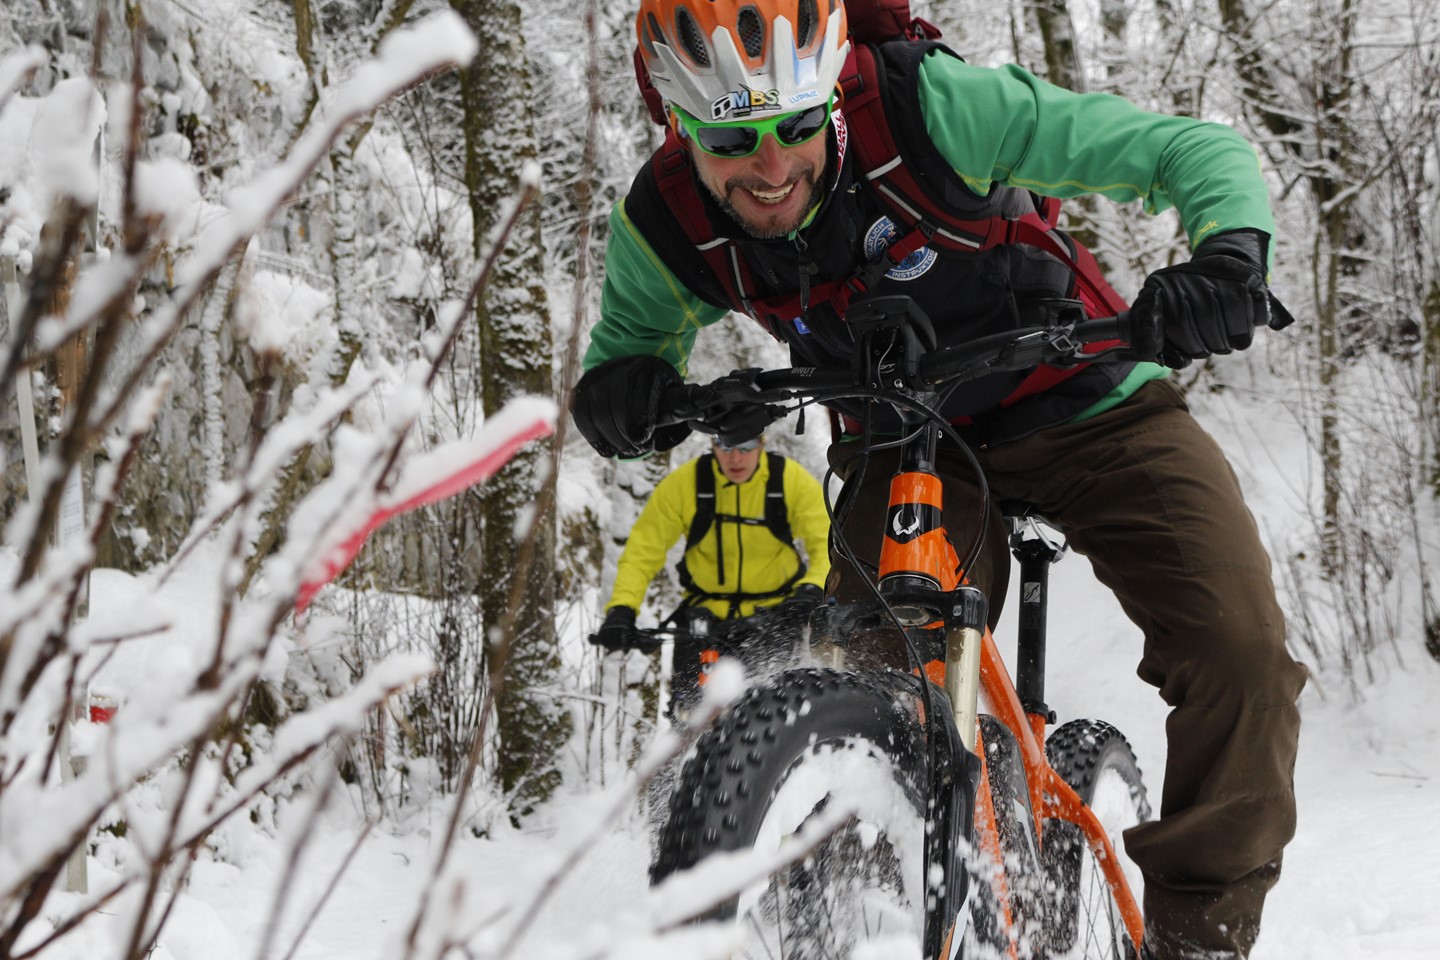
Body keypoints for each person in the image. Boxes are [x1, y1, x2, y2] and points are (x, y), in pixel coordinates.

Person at [570, 2, 1308, 957]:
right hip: (904, 439)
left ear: (832, 95)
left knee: (1239, 654)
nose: (772, 165)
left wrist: (1228, 255)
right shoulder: (668, 221)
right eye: (729, 138)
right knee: (883, 671)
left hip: (1087, 400)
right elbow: (625, 359)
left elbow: (1189, 151)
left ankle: (1199, 939)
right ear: (675, 121)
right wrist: (622, 400)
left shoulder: (928, 110)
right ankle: (894, 908)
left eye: (799, 124)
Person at [593, 432, 831, 714]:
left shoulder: (787, 480)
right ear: (712, 444)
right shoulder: (687, 484)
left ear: (762, 443)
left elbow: (828, 544)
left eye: (746, 445)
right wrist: (622, 608)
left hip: (775, 618)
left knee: (771, 712)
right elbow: (643, 551)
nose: (735, 457)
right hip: (703, 623)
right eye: (726, 445)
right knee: (692, 716)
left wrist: (812, 590)